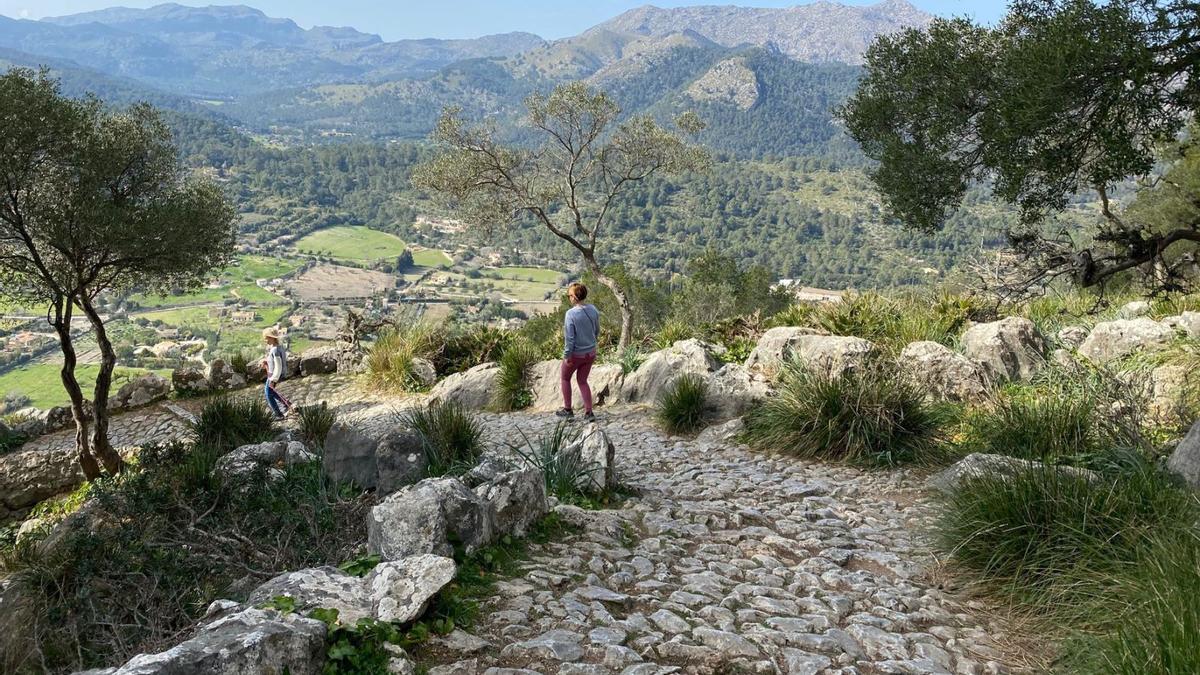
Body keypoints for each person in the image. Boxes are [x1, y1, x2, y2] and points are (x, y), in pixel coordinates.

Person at [558, 282, 600, 422]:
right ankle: (589, 413)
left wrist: (567, 355)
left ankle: (568, 410)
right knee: (582, 381)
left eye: (570, 295)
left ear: (575, 297)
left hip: (576, 355)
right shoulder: (593, 309)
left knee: (565, 378)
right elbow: (597, 330)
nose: (569, 298)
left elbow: (570, 338)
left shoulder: (571, 314)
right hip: (590, 353)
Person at [262, 327, 292, 419]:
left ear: (272, 338)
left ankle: (279, 415)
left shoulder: (275, 350)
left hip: (274, 375)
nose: (265, 340)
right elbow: (275, 362)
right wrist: (267, 361)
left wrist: (273, 380)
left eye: (266, 338)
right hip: (275, 374)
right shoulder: (279, 347)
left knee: (268, 394)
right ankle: (287, 404)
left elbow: (278, 366)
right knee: (271, 392)